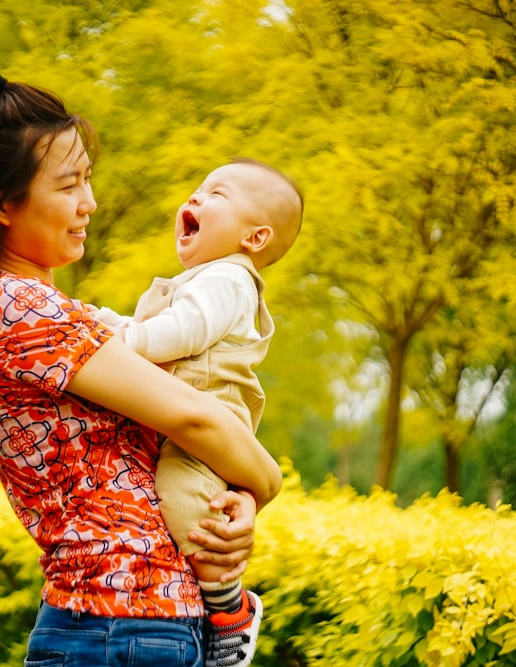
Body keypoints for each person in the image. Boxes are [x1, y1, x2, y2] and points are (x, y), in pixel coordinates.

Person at [0, 72, 283, 667]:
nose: (89, 203)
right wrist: (266, 484)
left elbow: (167, 447)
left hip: (133, 621)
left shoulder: (50, 309)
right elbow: (198, 421)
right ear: (0, 204)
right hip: (115, 624)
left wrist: (239, 498)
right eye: (69, 185)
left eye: (87, 180)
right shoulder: (17, 307)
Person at [90, 158, 303, 665]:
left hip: (210, 413)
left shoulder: (229, 278)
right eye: (198, 190)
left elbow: (182, 333)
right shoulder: (206, 281)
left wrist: (123, 340)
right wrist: (110, 323)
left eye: (218, 195)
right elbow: (169, 327)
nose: (196, 199)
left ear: (254, 238)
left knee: (192, 510)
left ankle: (230, 613)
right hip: (185, 415)